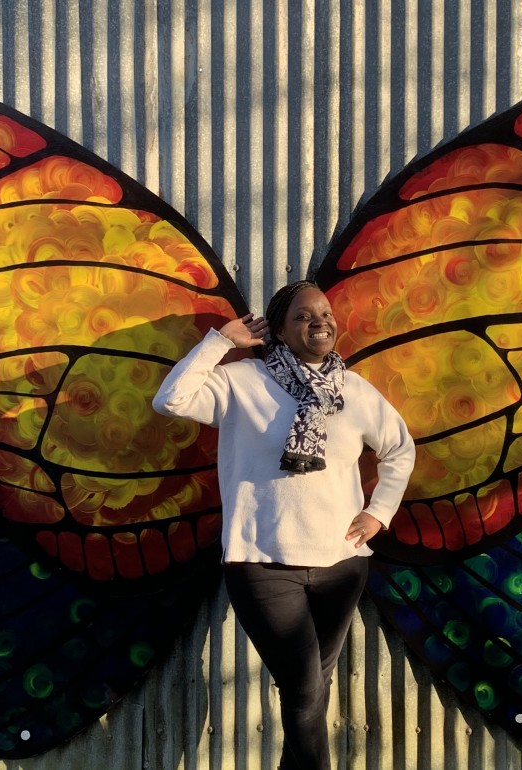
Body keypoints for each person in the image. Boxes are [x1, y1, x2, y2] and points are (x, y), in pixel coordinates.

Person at [152, 280, 415, 769]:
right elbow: (170, 401)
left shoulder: (353, 391)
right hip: (262, 564)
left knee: (312, 690)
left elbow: (400, 448)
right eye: (302, 316)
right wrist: (221, 342)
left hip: (342, 562)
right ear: (277, 329)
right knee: (305, 689)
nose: (320, 322)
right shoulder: (242, 383)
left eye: (325, 313)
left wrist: (379, 513)